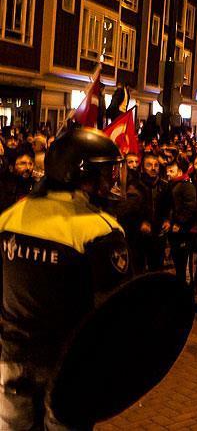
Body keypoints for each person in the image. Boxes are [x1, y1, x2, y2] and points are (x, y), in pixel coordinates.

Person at [0, 128, 129, 429]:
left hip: (11, 357)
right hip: (67, 365)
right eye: (105, 172)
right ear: (82, 172)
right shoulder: (100, 230)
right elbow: (114, 310)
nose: (111, 179)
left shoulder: (10, 217)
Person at [165, 161, 197, 286]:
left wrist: (179, 223)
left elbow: (190, 207)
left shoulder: (186, 185)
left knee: (185, 265)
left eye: (171, 171)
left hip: (185, 231)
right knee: (178, 264)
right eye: (167, 171)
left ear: (179, 172)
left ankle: (187, 289)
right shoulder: (172, 185)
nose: (168, 174)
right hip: (175, 231)